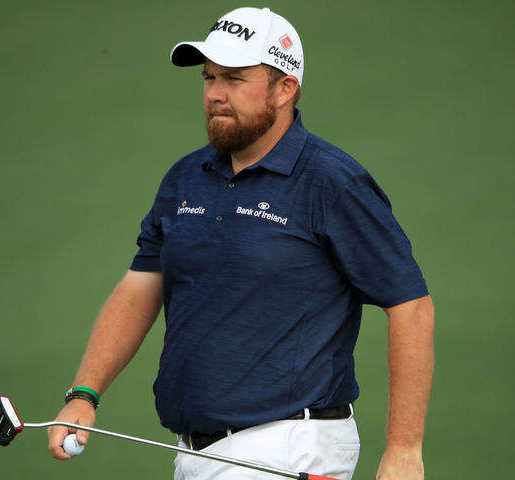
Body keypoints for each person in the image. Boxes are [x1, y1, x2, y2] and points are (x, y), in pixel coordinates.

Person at [47, 7, 434, 480]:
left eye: (234, 78)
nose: (215, 93)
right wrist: (84, 394)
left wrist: (404, 449)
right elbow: (141, 285)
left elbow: (411, 305)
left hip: (290, 447)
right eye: (209, 78)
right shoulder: (186, 176)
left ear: (284, 88)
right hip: (197, 453)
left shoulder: (331, 180)